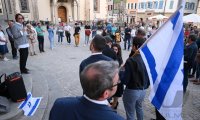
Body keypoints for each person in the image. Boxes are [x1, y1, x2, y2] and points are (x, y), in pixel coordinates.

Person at [50, 61, 124, 120]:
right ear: (105, 93)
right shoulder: (116, 118)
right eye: (117, 82)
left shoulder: (60, 105)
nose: (118, 83)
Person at [120, 37, 149, 120]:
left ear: (135, 46)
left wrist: (121, 71)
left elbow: (125, 80)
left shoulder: (131, 60)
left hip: (132, 90)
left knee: (130, 113)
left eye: (132, 45)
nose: (131, 46)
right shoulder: (146, 59)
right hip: (143, 90)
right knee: (139, 108)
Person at [111, 43, 124, 109]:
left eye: (116, 49)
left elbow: (121, 70)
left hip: (117, 80)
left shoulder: (119, 58)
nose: (114, 51)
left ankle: (114, 105)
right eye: (113, 49)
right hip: (110, 80)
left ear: (118, 50)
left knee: (116, 95)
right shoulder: (109, 57)